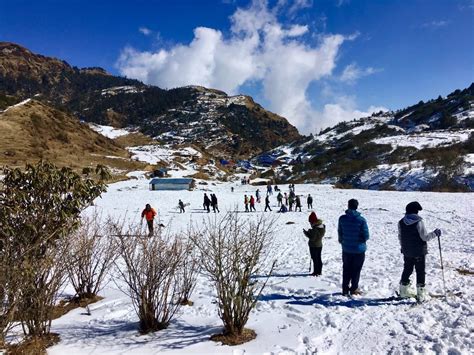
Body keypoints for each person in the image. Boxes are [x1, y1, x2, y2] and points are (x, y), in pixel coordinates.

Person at [398, 201, 441, 302]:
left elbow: (400, 236)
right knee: (420, 271)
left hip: (406, 250)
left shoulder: (401, 222)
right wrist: (435, 233)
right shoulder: (418, 222)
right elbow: (424, 237)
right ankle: (421, 293)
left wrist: (403, 247)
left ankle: (403, 290)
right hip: (419, 251)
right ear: (416, 211)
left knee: (407, 269)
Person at [338, 199, 369, 296]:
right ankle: (354, 288)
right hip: (359, 249)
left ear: (348, 206)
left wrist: (342, 241)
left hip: (346, 248)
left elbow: (340, 232)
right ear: (357, 206)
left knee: (346, 268)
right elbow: (366, 235)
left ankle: (345, 289)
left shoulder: (342, 219)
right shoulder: (361, 220)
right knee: (356, 269)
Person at [303, 212, 326, 276]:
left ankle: (316, 272)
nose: (310, 223)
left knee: (315, 259)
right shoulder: (321, 227)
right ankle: (319, 271)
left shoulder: (315, 228)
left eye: (310, 222)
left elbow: (313, 238)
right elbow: (317, 236)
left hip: (314, 246)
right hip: (319, 245)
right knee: (318, 258)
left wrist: (307, 233)